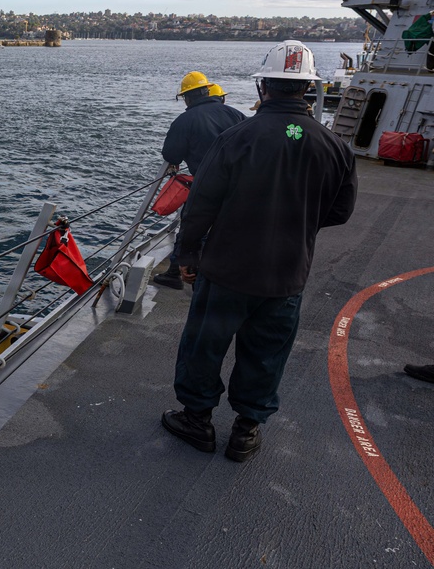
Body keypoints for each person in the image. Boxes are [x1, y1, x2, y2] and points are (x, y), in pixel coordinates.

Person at [161, 40, 358, 463]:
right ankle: (246, 431)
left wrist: (187, 256)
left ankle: (197, 421)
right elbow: (340, 211)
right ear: (307, 87)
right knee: (267, 353)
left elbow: (201, 206)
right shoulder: (335, 146)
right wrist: (296, 222)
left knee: (204, 345)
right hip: (287, 273)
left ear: (263, 85)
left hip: (226, 269)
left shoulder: (236, 138)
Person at [153, 72, 245, 290]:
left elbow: (171, 154)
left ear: (187, 97)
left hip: (206, 188)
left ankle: (183, 274)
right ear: (207, 91)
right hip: (240, 188)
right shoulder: (235, 114)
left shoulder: (185, 121)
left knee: (191, 227)